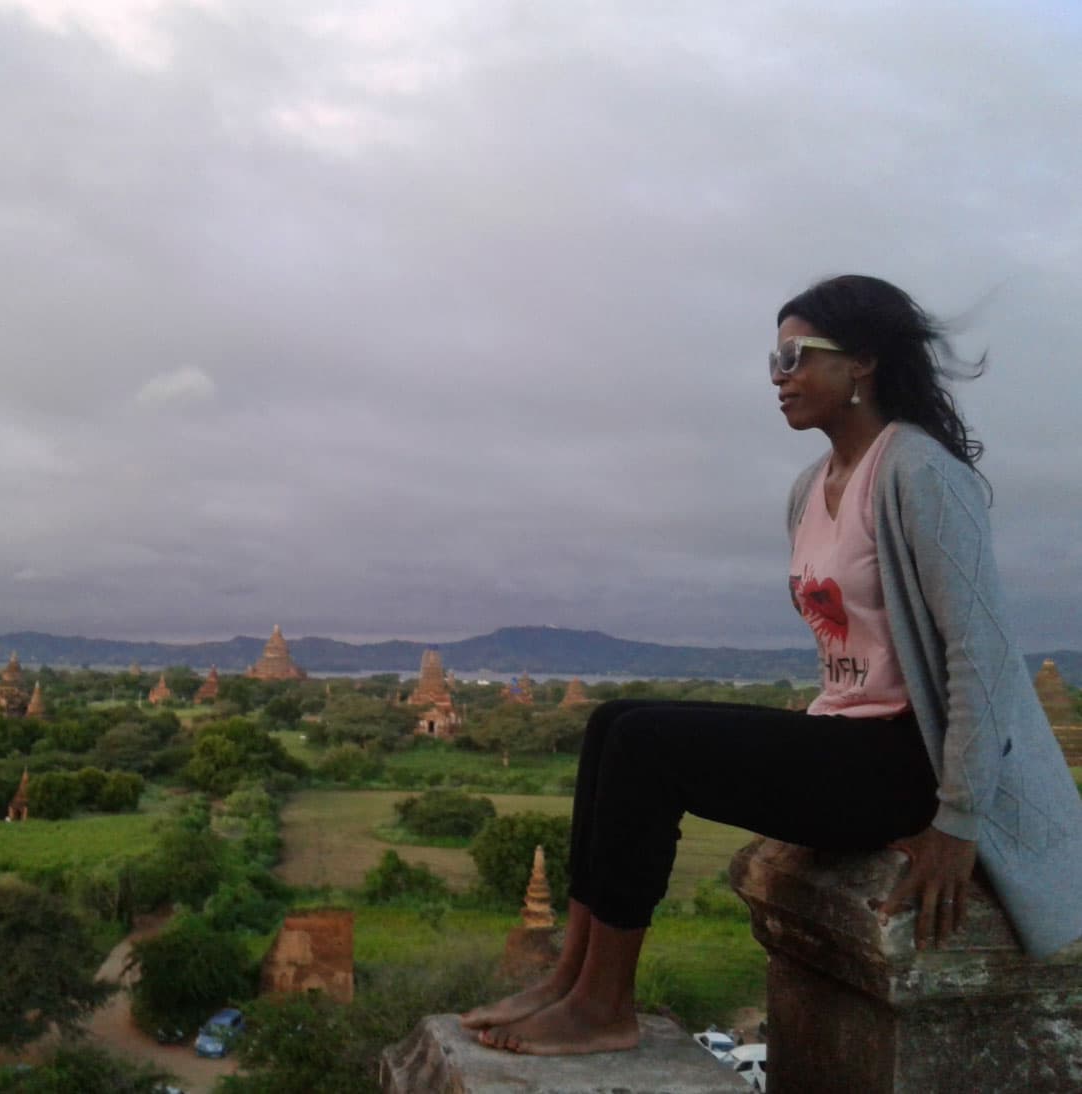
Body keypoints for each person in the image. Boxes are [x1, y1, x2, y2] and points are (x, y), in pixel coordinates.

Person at [459, 274, 1082, 1056]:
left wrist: (956, 821)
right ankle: (571, 978)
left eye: (795, 356)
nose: (778, 377)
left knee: (653, 747)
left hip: (902, 763)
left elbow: (980, 655)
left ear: (862, 363)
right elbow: (851, 652)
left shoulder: (920, 474)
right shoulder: (808, 490)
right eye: (772, 360)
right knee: (613, 723)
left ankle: (604, 1007)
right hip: (847, 739)